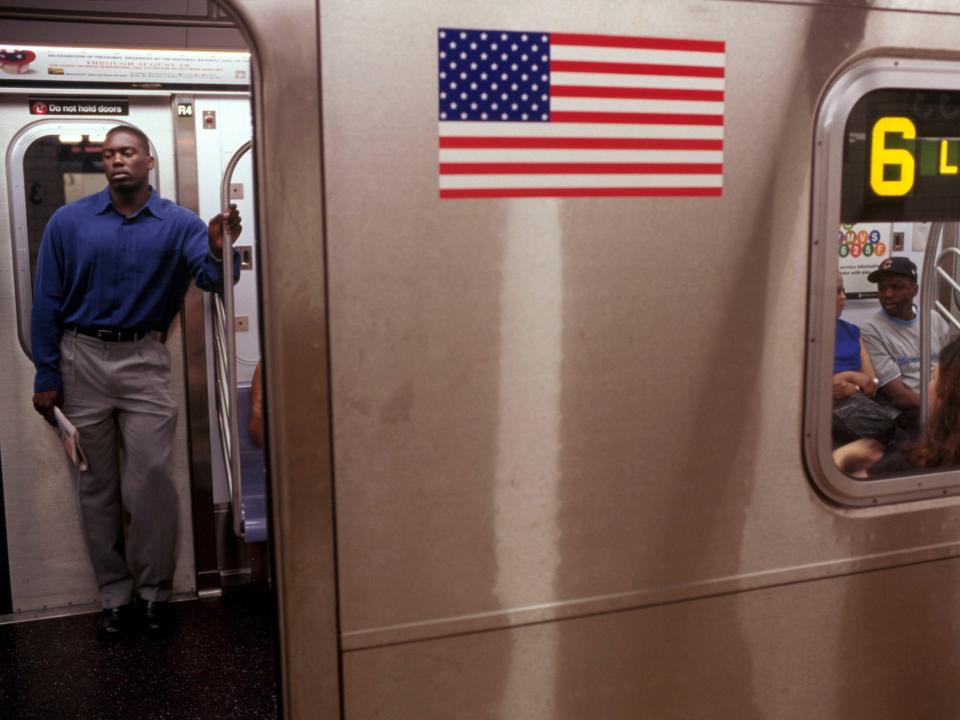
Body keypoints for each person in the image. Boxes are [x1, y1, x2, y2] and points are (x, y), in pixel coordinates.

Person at [30, 125, 241, 641]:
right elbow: (46, 302)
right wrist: (46, 371)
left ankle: (153, 593)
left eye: (127, 152)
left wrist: (219, 249)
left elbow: (217, 282)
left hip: (145, 358)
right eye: (108, 155)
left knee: (149, 483)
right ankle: (115, 596)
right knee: (96, 488)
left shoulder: (180, 224)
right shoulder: (68, 222)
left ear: (149, 161)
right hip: (81, 358)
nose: (116, 161)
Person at [834, 335, 960, 477]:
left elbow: (843, 491)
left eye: (933, 377)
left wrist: (842, 456)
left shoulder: (918, 462)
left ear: (945, 396)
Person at [860, 256, 951, 420]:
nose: (887, 294)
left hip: (940, 402)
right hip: (908, 413)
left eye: (896, 287)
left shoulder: (933, 319)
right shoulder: (872, 329)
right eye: (882, 288)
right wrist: (939, 409)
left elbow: (951, 368)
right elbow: (898, 395)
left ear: (914, 290)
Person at [832, 273, 893, 444]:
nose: (844, 296)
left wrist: (851, 384)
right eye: (837, 291)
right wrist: (850, 377)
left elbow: (871, 383)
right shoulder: (803, 336)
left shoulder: (852, 331)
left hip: (857, 401)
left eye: (843, 290)